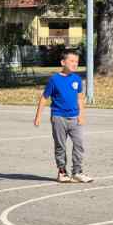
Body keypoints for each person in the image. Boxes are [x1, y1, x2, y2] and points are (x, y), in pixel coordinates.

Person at [33, 51, 93, 184]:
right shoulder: (54, 79)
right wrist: (38, 117)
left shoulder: (77, 79)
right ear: (63, 62)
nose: (75, 64)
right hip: (59, 117)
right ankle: (62, 172)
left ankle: (77, 172)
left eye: (76, 62)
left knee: (79, 144)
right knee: (60, 146)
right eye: (71, 61)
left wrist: (81, 115)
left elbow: (80, 98)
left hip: (74, 117)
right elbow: (44, 98)